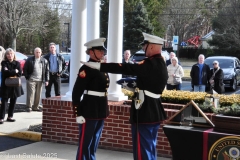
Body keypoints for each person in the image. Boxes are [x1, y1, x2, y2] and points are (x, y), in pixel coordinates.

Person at [81, 32, 168, 160]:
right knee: (150, 147)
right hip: (154, 110)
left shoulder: (150, 63)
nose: (144, 48)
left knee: (142, 150)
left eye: (145, 45)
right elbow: (150, 83)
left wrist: (100, 66)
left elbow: (126, 68)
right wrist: (134, 85)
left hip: (145, 111)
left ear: (152, 47)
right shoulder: (160, 64)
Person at [72, 38, 110, 160]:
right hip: (89, 110)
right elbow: (76, 93)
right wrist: (78, 113)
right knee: (85, 142)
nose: (103, 53)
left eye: (103, 51)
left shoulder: (101, 67)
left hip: (100, 109)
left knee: (94, 142)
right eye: (100, 51)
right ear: (91, 52)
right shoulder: (86, 69)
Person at [0, 48, 24, 124]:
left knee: (13, 102)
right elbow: (4, 73)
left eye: (11, 54)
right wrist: (14, 71)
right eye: (8, 54)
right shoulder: (4, 63)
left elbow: (19, 73)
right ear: (6, 55)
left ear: (14, 55)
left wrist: (10, 72)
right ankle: (1, 118)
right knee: (4, 102)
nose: (10, 55)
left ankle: (10, 116)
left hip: (15, 86)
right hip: (6, 86)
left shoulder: (17, 63)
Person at [23, 47, 49, 112]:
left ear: (41, 53)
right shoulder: (29, 60)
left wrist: (47, 80)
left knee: (38, 94)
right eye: (36, 52)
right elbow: (25, 69)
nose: (38, 53)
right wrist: (27, 77)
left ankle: (36, 107)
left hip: (40, 80)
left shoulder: (44, 61)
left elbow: (47, 71)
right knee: (31, 93)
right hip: (31, 79)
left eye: (39, 52)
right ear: (34, 53)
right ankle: (29, 107)